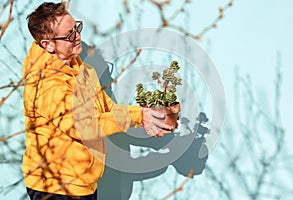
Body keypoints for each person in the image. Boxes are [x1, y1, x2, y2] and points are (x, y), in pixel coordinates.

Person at [22, 2, 179, 199]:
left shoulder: (84, 71)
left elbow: (108, 110)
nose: (77, 36)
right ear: (48, 45)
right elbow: (84, 126)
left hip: (84, 184)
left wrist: (146, 118)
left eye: (77, 28)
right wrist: (139, 116)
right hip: (55, 186)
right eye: (69, 35)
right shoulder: (46, 83)